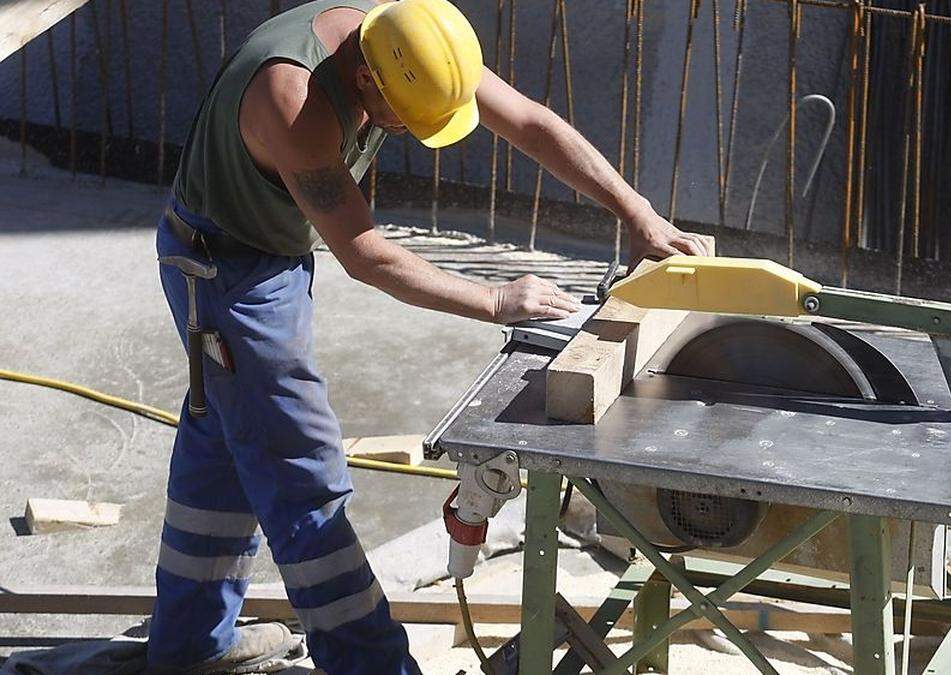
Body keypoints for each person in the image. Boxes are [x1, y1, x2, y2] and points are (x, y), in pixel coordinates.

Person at [149, 0, 711, 672]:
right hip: (222, 268)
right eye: (405, 120)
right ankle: (371, 663)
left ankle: (187, 649)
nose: (415, 134)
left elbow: (530, 122)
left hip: (270, 250)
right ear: (364, 81)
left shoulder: (411, 43)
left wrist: (637, 211)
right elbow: (365, 253)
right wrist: (496, 299)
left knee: (226, 447)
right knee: (300, 471)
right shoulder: (290, 99)